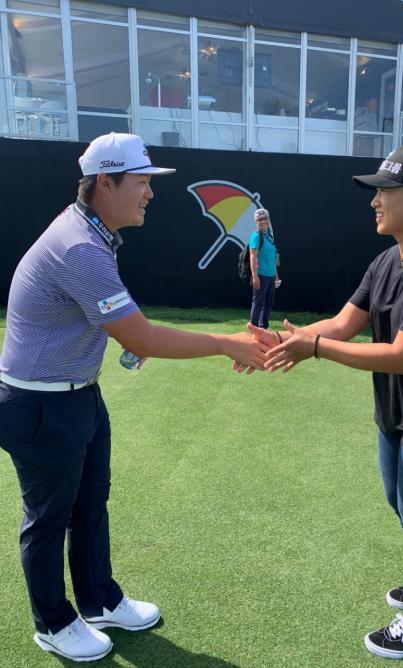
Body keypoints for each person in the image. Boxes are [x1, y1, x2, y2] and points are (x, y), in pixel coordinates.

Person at [0, 132, 267, 663]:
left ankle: (99, 600)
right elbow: (141, 337)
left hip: (76, 394)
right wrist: (226, 343)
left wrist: (125, 333)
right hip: (40, 405)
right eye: (141, 182)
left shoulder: (92, 232)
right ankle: (53, 623)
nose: (150, 193)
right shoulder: (81, 245)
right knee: (49, 518)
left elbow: (113, 316)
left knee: (90, 504)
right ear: (105, 182)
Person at [247, 146, 403, 659]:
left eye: (385, 192)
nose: (374, 202)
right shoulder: (386, 260)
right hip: (399, 419)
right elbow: (342, 324)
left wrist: (315, 348)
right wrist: (284, 339)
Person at [249, 208, 280, 329]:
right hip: (261, 275)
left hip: (271, 276)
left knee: (268, 304)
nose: (263, 221)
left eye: (265, 218)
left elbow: (272, 259)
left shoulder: (269, 236)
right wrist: (255, 276)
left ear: (269, 220)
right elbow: (252, 257)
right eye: (260, 219)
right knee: (258, 303)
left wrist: (276, 276)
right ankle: (254, 330)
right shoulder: (256, 236)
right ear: (256, 222)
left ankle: (264, 329)